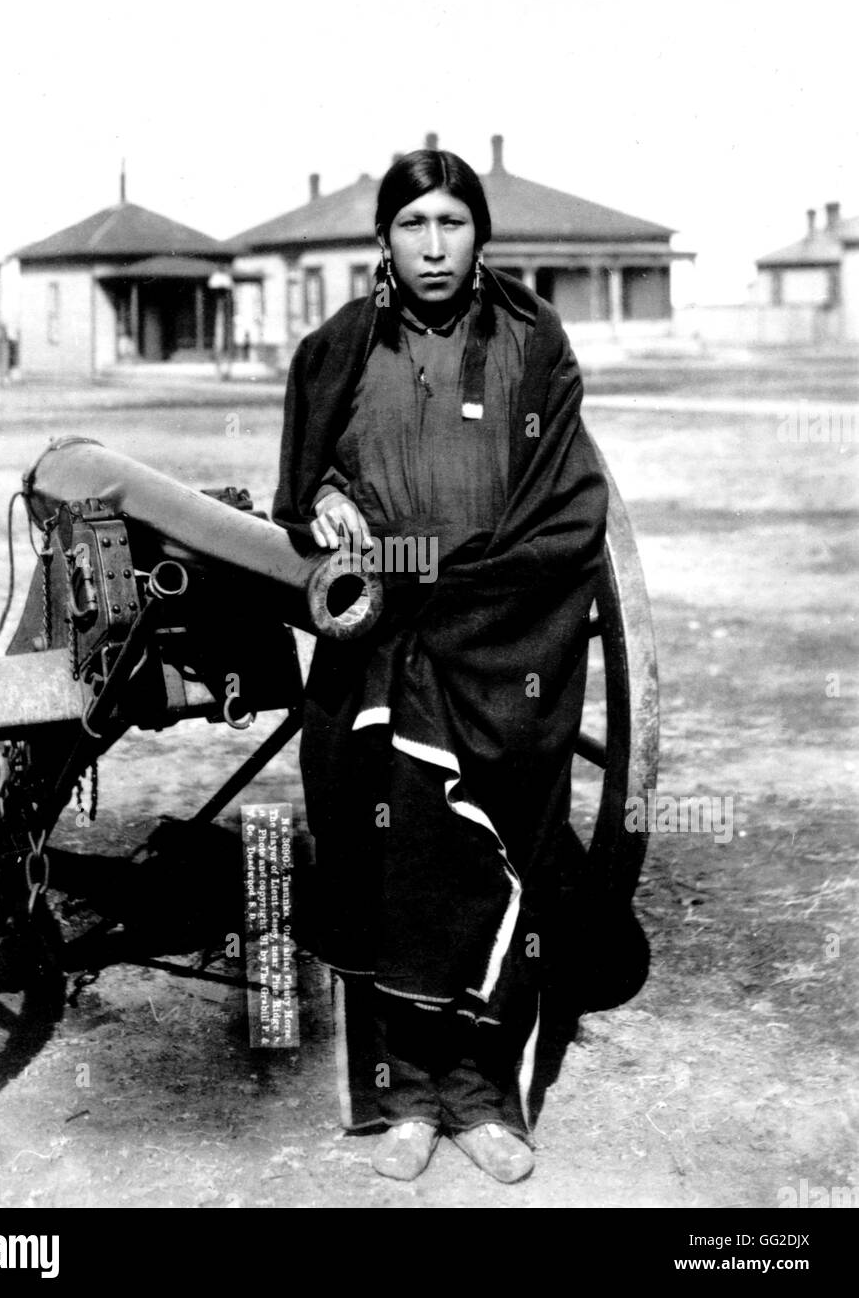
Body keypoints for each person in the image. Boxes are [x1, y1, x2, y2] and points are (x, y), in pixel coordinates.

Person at [273, 148, 620, 1184]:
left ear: (482, 234)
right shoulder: (337, 349)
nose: (433, 245)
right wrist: (327, 505)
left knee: (490, 859)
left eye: (452, 223)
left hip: (499, 643)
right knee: (388, 862)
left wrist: (471, 589)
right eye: (412, 223)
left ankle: (481, 1099)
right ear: (382, 237)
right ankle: (405, 1100)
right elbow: (303, 487)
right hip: (380, 646)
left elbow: (570, 505)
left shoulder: (531, 342)